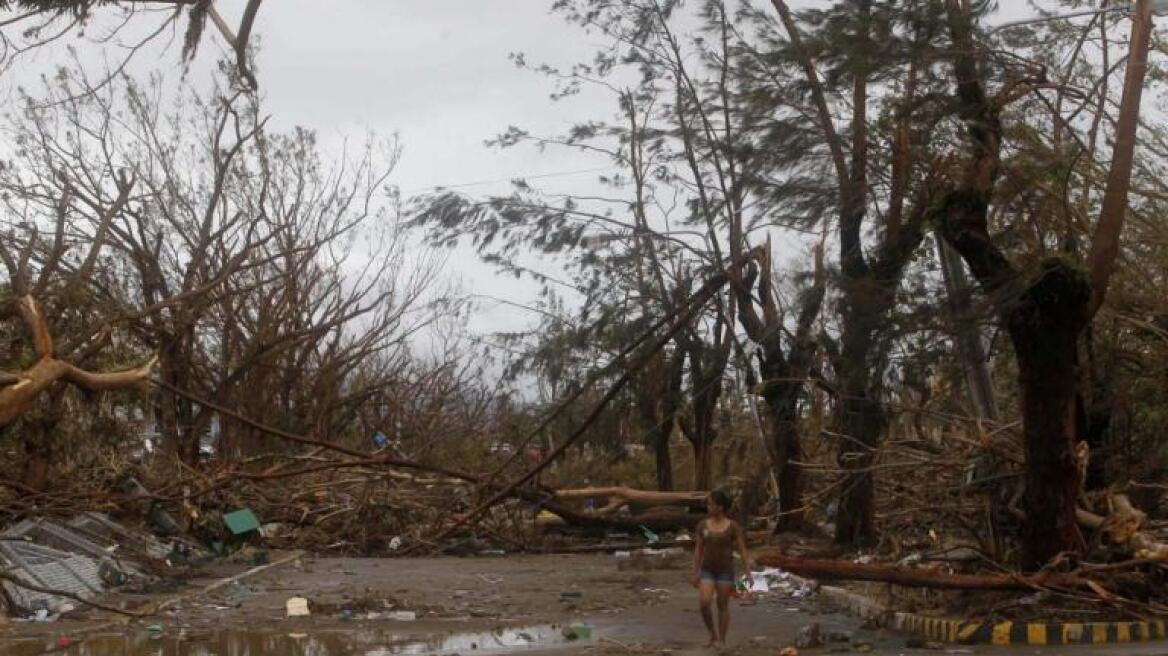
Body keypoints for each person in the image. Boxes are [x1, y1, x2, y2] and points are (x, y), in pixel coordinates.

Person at [691, 489, 752, 648]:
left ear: (720, 507)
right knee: (704, 603)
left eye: (711, 504)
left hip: (725, 571)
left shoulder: (732, 526)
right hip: (707, 570)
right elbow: (698, 550)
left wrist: (748, 572)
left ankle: (722, 640)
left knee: (722, 604)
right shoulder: (702, 525)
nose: (708, 507)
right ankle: (712, 634)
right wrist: (695, 571)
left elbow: (742, 550)